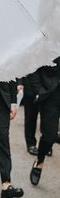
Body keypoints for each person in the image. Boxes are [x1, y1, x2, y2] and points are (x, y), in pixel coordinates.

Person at [27, 58, 60, 186]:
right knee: (49, 136)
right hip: (50, 96)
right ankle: (39, 162)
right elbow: (34, 67)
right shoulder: (48, 42)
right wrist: (38, 90)